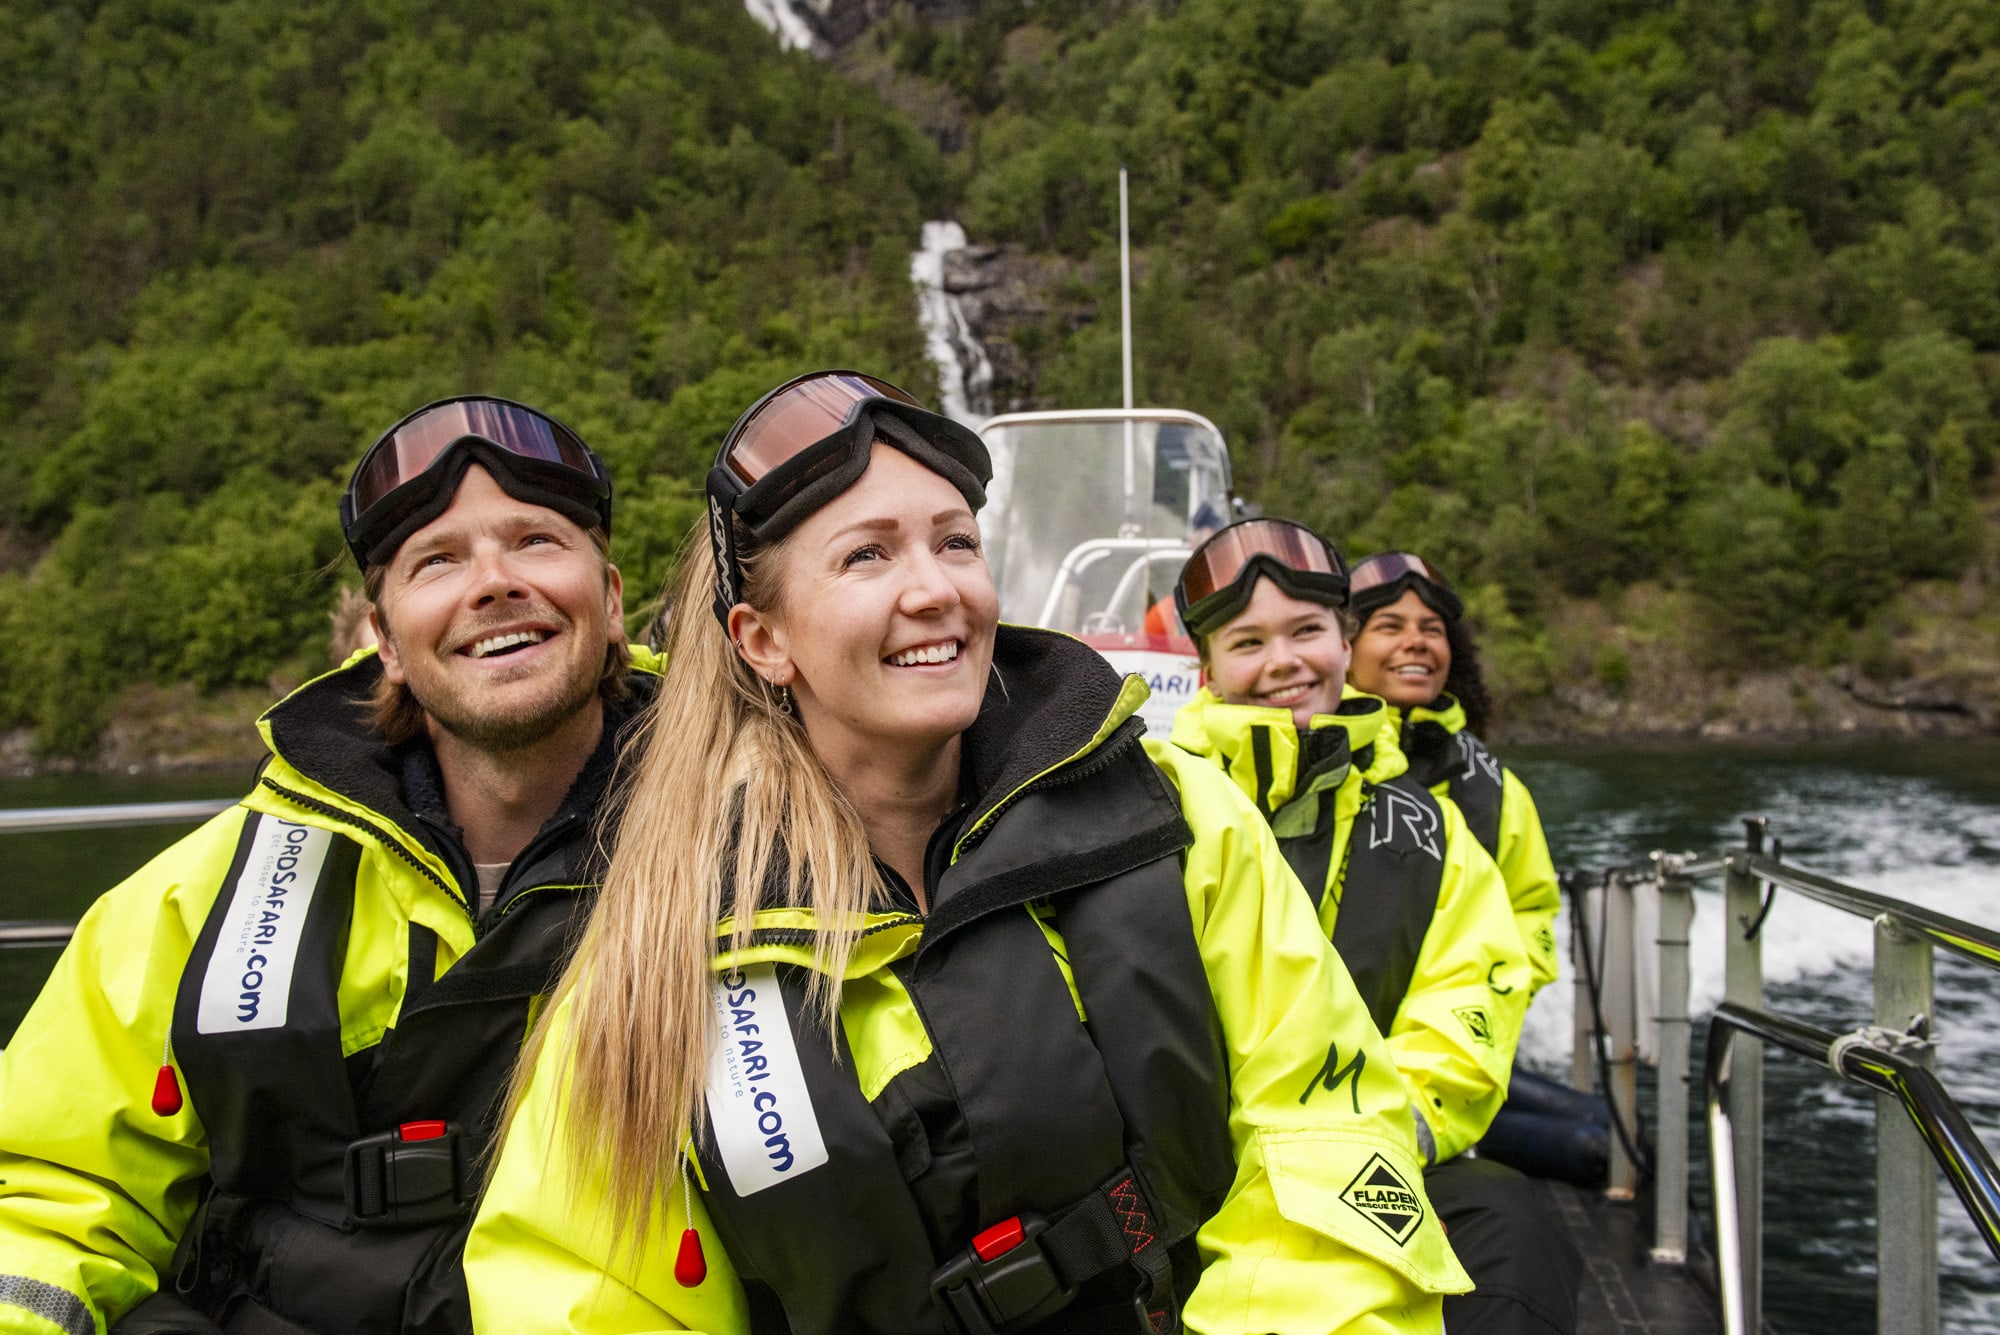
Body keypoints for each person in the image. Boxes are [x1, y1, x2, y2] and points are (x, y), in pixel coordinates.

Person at [466, 371, 1470, 1333]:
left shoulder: (1179, 821)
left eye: (954, 544)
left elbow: (1321, 1142)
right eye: (867, 556)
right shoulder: (656, 949)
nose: (935, 590)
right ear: (760, 639)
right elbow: (587, 1293)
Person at [0, 397, 662, 1335]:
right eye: (438, 560)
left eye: (537, 540)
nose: (495, 583)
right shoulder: (199, 902)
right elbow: (51, 1195)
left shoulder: (747, 851)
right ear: (385, 641)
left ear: (613, 601)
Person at [1165, 519, 1580, 1335]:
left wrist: (1381, 1134)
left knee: (1513, 1227)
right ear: (1205, 669)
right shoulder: (1147, 807)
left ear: (1341, 643)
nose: (1284, 661)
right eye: (1248, 640)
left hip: (1371, 1157)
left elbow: (1473, 992)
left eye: (1307, 631)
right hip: (1180, 1175)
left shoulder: (1436, 833)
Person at [1342, 554, 1560, 1001]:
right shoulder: (1301, 763)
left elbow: (1530, 917)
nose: (1416, 642)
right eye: (1390, 626)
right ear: (1342, 648)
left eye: (1432, 630)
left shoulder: (1495, 789)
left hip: (1447, 1054)